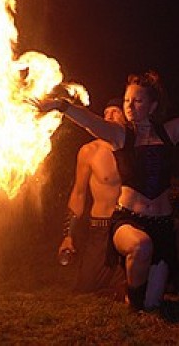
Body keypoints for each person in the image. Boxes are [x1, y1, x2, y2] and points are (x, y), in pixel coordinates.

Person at [36, 68, 179, 311]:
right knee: (141, 246)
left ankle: (139, 299)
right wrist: (61, 105)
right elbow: (90, 122)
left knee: (152, 305)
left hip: (162, 225)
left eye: (137, 100)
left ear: (152, 106)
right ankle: (131, 298)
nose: (129, 106)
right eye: (127, 100)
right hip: (128, 221)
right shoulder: (120, 135)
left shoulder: (169, 133)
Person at [58, 98, 126, 299]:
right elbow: (79, 194)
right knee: (85, 287)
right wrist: (68, 235)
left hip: (127, 224)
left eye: (115, 112)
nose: (109, 117)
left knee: (136, 282)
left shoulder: (134, 149)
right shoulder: (90, 152)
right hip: (100, 228)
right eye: (106, 113)